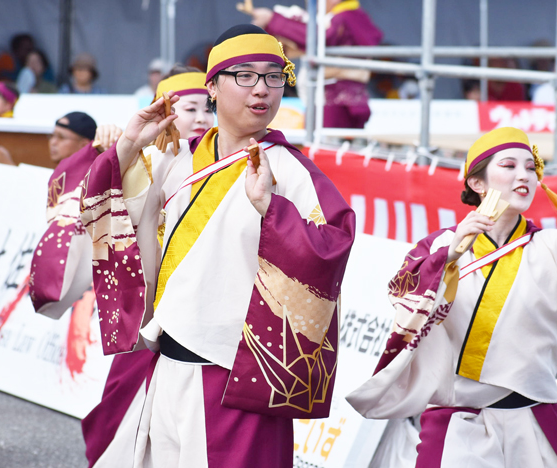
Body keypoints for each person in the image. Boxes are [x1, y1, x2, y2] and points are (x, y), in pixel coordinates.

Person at [79, 24, 355, 466]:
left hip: (237, 374)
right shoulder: (175, 157)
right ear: (212, 85)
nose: (261, 89)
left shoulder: (291, 170)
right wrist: (129, 145)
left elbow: (332, 246)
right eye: (244, 75)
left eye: (273, 75)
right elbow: (112, 216)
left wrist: (272, 209)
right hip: (165, 363)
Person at [347, 127, 557, 467]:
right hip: (460, 422)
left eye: (531, 168)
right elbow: (402, 296)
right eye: (509, 166)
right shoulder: (440, 245)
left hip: (536, 420)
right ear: (477, 183)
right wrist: (448, 259)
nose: (524, 176)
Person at [76, 66, 213, 467]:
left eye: (209, 107)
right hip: (151, 304)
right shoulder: (150, 159)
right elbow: (106, 205)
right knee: (125, 408)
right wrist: (122, 149)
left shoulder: (228, 159)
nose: (202, 118)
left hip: (197, 309)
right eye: (190, 108)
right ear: (165, 110)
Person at [251, 0, 383, 128]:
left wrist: (274, 20)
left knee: (326, 147)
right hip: (345, 98)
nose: (313, 4)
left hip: (333, 99)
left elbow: (318, 38)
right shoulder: (351, 17)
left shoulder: (344, 18)